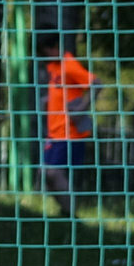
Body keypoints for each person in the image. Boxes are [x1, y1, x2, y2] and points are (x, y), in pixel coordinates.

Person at [41, 38, 97, 217]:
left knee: (53, 172)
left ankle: (71, 215)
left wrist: (81, 109)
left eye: (50, 49)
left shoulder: (69, 64)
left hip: (69, 133)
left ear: (57, 46)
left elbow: (97, 84)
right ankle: (66, 212)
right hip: (54, 132)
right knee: (45, 173)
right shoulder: (53, 66)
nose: (47, 54)